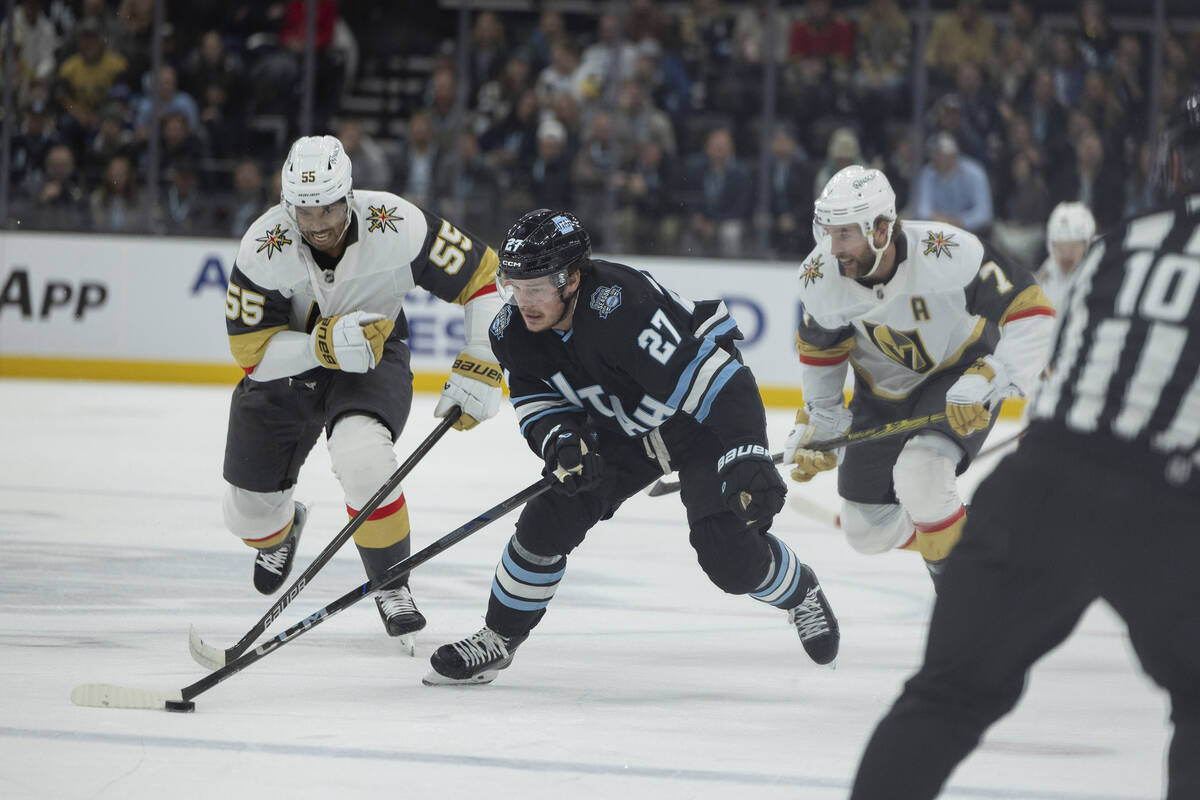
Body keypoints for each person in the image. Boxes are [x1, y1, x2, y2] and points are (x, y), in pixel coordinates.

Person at [849, 91, 1200, 800]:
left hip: (1040, 482)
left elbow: (1075, 373)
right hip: (1163, 503)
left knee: (944, 698)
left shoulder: (1117, 245)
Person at [423, 208, 840, 685]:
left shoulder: (624, 308)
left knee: (728, 557)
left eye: (536, 287)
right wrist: (559, 440)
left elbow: (723, 383)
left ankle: (799, 590)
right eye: (515, 286)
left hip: (695, 423)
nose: (523, 301)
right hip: (621, 430)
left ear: (573, 278)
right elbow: (536, 397)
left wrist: (745, 451)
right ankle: (499, 638)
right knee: (546, 520)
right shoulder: (510, 331)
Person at [222, 135, 504, 650]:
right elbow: (251, 352)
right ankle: (280, 531)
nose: (318, 223)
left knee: (363, 457)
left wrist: (484, 358)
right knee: (247, 517)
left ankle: (391, 583)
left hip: (372, 356)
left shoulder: (395, 223)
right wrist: (322, 345)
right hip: (290, 364)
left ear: (349, 195)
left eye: (328, 206)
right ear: (289, 206)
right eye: (305, 211)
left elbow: (483, 278)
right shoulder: (264, 245)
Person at [784, 165, 1055, 582]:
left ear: (880, 229)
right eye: (828, 232)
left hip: (958, 375)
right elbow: (823, 352)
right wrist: (821, 420)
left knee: (921, 470)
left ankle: (967, 596)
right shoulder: (819, 277)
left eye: (844, 234)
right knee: (865, 530)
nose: (833, 248)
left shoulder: (948, 251)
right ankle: (964, 539)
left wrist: (993, 377)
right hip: (881, 395)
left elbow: (1032, 310)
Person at [1036, 200, 1097, 310]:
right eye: (1060, 248)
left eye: (1073, 247)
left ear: (1087, 245)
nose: (1066, 254)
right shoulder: (1048, 271)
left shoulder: (1100, 271)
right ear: (1051, 247)